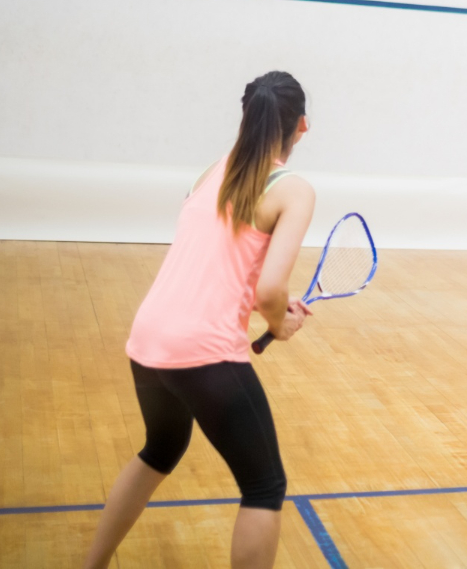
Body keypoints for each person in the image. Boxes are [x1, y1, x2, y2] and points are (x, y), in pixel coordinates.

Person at [82, 71, 317, 569]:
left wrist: (274, 309)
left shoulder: (212, 171)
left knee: (159, 450)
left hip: (148, 342)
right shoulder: (293, 190)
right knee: (264, 485)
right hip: (204, 353)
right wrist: (278, 322)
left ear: (246, 117)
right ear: (302, 126)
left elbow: (223, 269)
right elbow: (268, 290)